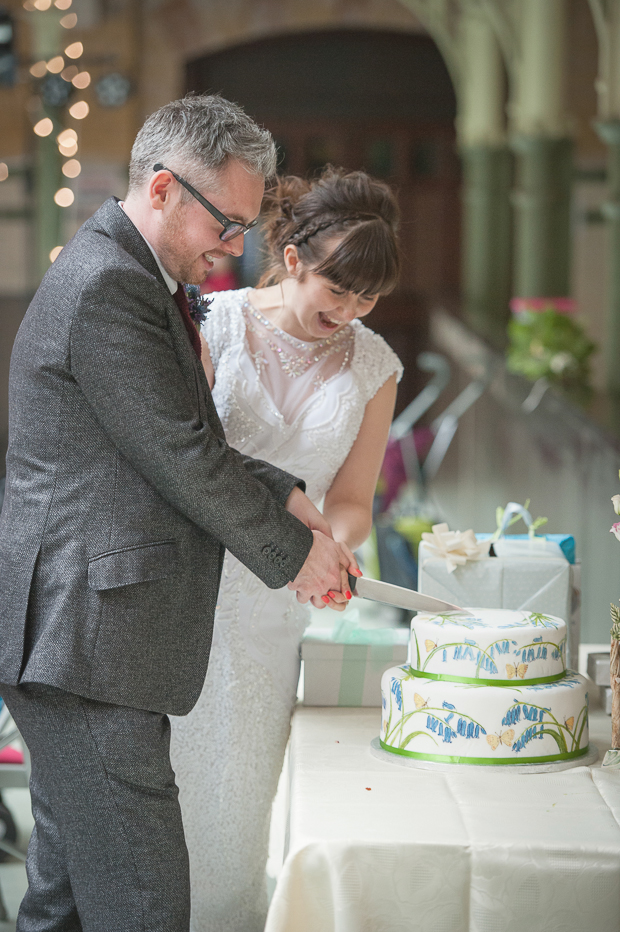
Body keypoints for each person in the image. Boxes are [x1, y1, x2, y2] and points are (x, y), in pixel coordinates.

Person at [0, 96, 357, 932]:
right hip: (82, 642)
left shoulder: (133, 273)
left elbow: (180, 439)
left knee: (65, 903)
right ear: (162, 189)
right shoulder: (107, 287)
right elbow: (182, 459)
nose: (236, 249)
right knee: (146, 906)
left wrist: (286, 495)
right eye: (226, 225)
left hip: (87, 643)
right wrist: (294, 554)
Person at [170, 166, 403, 932]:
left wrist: (331, 546)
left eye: (368, 299)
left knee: (241, 808)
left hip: (276, 605)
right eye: (338, 290)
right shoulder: (211, 319)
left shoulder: (375, 366)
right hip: (181, 588)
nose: (351, 312)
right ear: (296, 258)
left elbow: (351, 499)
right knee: (162, 803)